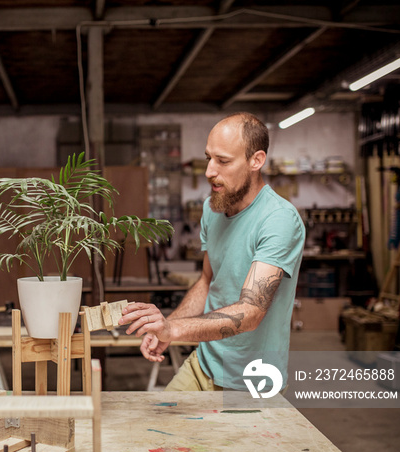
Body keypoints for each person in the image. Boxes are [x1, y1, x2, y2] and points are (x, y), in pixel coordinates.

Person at [119, 112, 305, 392]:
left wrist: (176, 330)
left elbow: (251, 311)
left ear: (256, 161)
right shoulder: (213, 208)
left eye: (223, 161)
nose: (209, 171)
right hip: (204, 363)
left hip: (252, 381)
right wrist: (168, 327)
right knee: (154, 429)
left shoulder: (278, 220)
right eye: (209, 158)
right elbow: (207, 281)